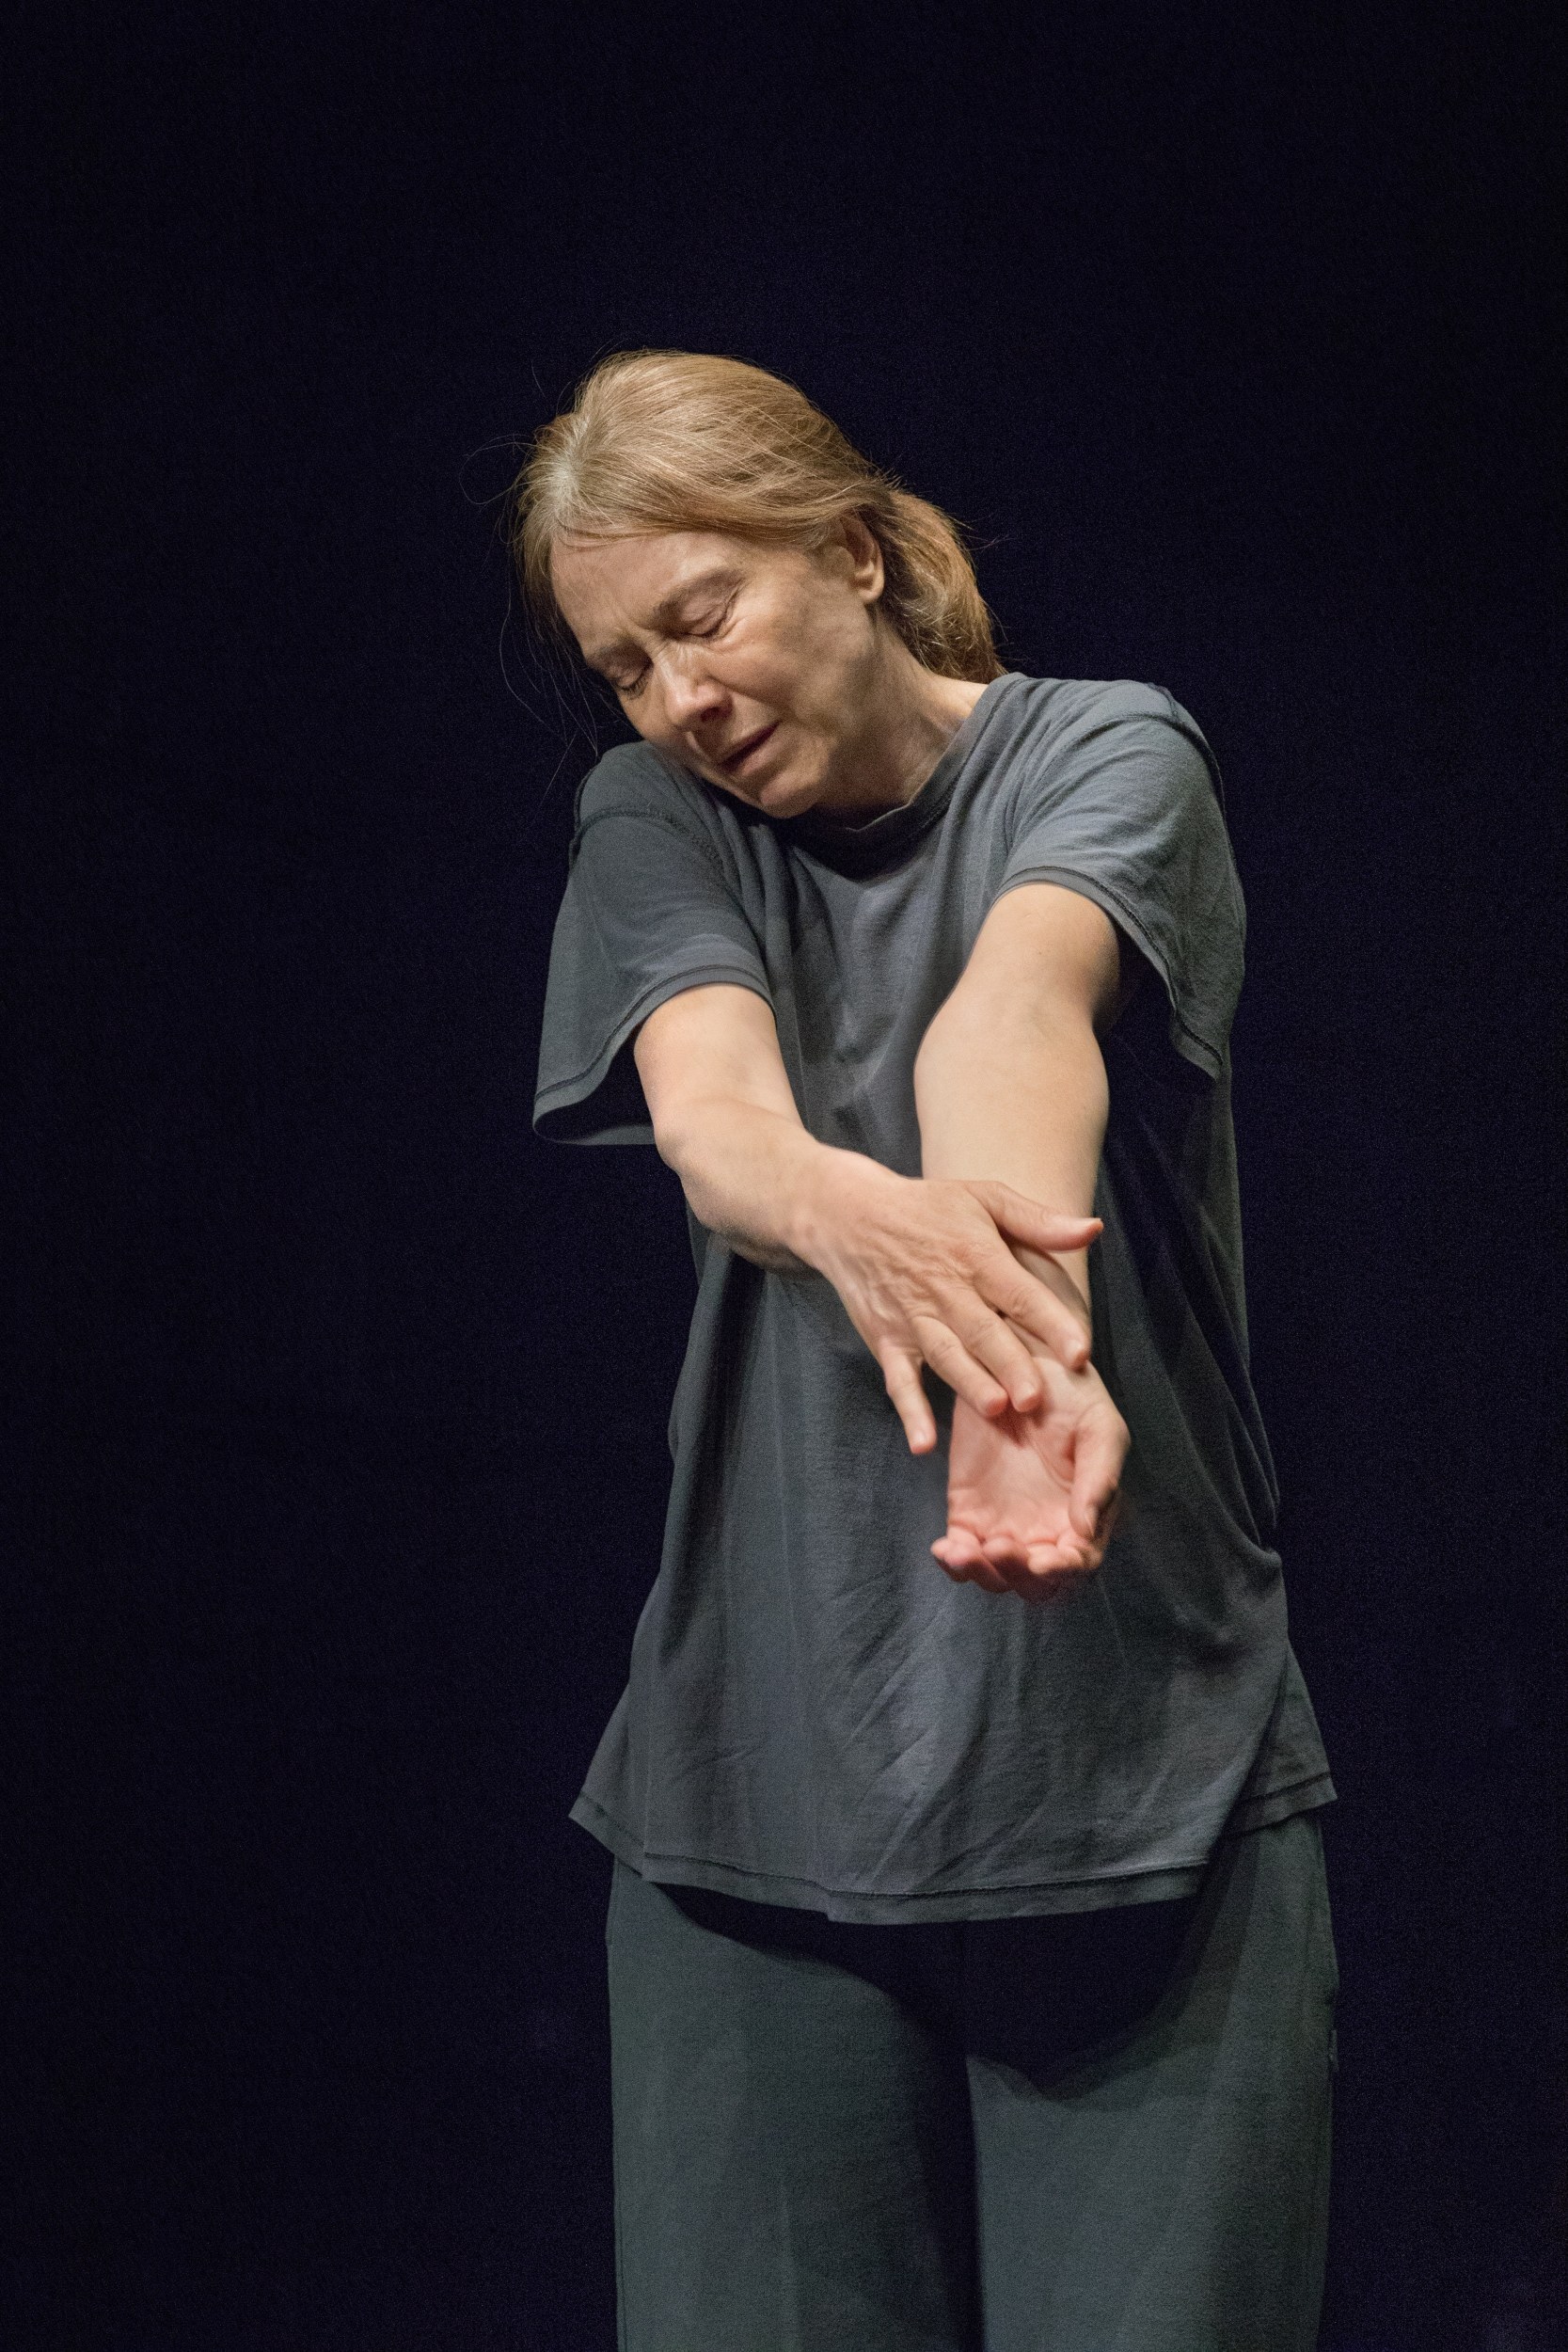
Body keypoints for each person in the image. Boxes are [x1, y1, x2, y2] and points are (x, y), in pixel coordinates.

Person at [516, 350, 1338, 2351]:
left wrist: (1006, 1362)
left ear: (857, 552)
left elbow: (1010, 1018)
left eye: (700, 618)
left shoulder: (1107, 751)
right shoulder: (652, 815)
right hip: (753, 1807)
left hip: (1142, 1786)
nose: (676, 700)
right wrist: (836, 1206)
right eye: (625, 664)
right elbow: (718, 1116)